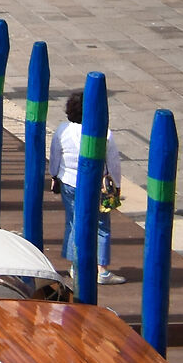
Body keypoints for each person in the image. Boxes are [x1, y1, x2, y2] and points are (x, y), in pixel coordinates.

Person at [49, 88, 123, 280]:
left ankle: (76, 265)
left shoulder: (62, 130)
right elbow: (113, 162)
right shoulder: (105, 134)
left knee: (73, 221)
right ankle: (101, 269)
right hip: (97, 185)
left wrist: (54, 175)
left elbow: (55, 155)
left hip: (68, 182)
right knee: (102, 225)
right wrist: (116, 184)